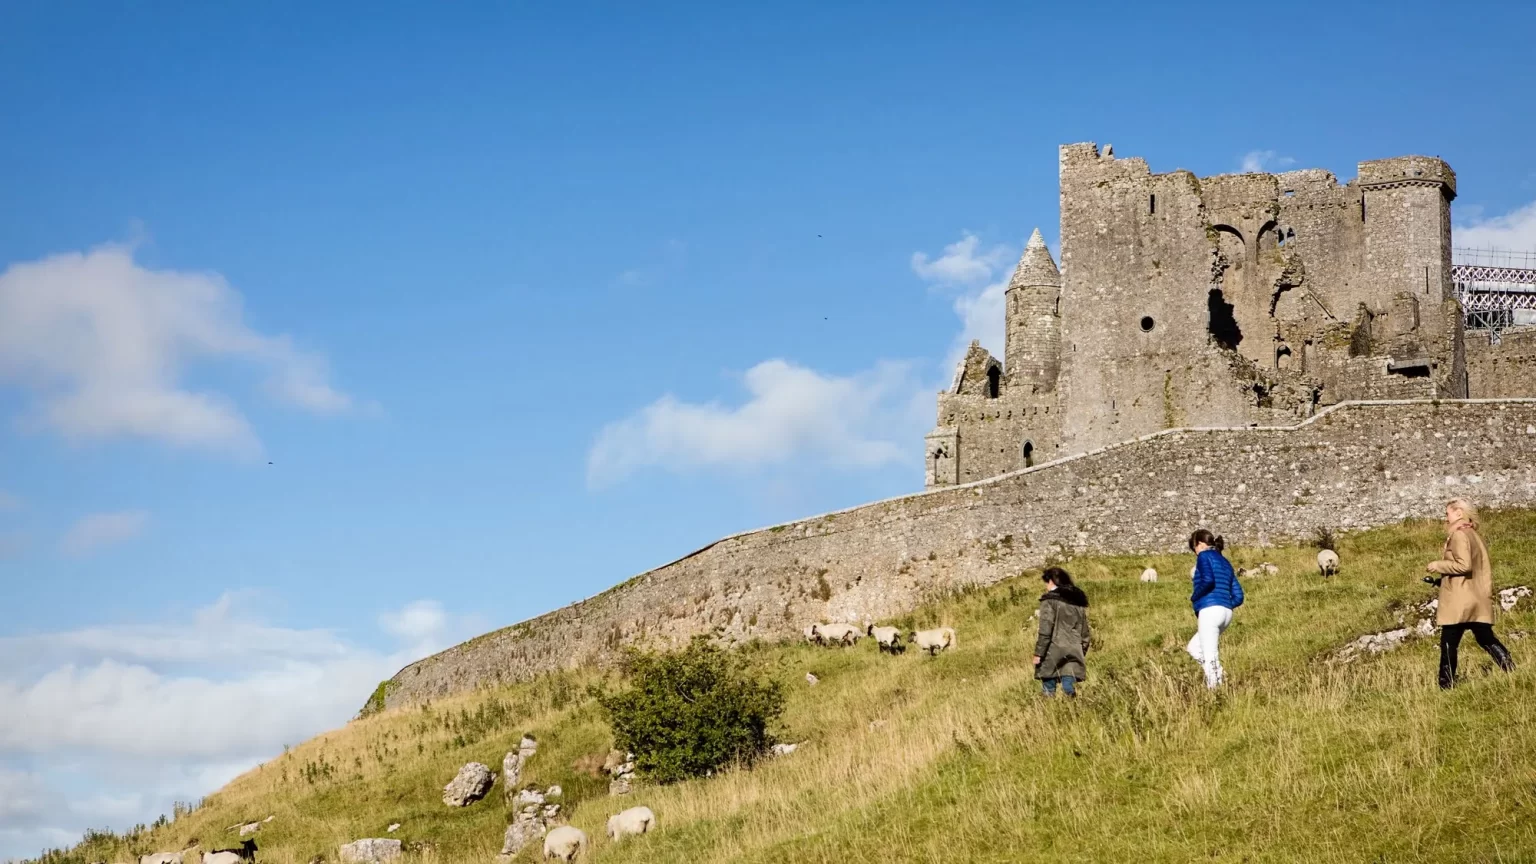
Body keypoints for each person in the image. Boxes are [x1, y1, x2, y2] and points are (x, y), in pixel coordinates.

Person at [1425, 498, 1515, 689]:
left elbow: (1463, 565)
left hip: (1460, 601)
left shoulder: (1458, 535)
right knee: (1485, 637)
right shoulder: (1474, 534)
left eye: (1447, 513)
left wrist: (1437, 565)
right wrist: (1442, 581)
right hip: (1476, 598)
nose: (1445, 517)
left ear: (1458, 513)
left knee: (1448, 642)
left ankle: (1445, 685)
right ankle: (1510, 668)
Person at [1187, 529, 1244, 689]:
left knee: (1210, 655)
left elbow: (1208, 580)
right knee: (1193, 648)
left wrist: (1194, 596)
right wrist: (1223, 603)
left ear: (1199, 544)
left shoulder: (1203, 556)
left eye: (1194, 548)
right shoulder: (1225, 561)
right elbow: (1239, 596)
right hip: (1226, 611)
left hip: (1209, 610)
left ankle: (1216, 692)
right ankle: (1220, 675)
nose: (1195, 553)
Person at [1033, 566, 1090, 697]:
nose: (1046, 586)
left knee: (1048, 685)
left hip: (1053, 650)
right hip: (1074, 648)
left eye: (1046, 582)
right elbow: (1085, 633)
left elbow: (1045, 630)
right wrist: (1081, 650)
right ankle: (1072, 704)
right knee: (1068, 683)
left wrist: (1038, 653)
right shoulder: (1078, 603)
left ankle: (1050, 712)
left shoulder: (1049, 602)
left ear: (1051, 581)